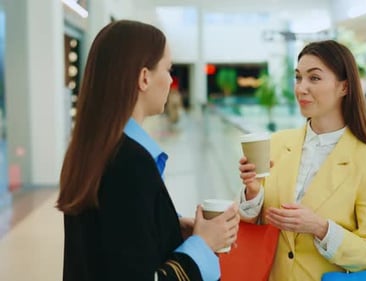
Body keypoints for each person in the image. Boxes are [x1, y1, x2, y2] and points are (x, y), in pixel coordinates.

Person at [57, 20, 239, 281]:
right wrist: (203, 244)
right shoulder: (129, 163)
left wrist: (169, 227)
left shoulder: (92, 149)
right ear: (144, 78)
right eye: (168, 69)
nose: (170, 80)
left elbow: (113, 243)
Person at [238, 40, 366, 281]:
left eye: (314, 78)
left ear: (344, 87)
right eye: (298, 78)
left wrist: (321, 228)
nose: (301, 88)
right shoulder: (276, 144)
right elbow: (252, 224)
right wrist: (252, 191)